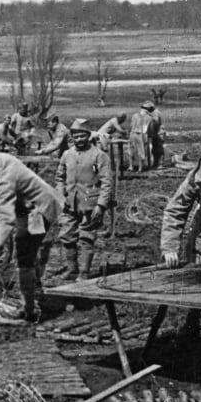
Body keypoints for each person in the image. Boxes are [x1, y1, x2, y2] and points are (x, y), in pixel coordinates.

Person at [0, 145, 63, 322]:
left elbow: (5, 218)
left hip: (38, 212)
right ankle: (36, 292)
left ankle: (29, 309)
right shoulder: (1, 158)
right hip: (41, 203)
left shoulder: (3, 183)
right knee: (28, 252)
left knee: (23, 258)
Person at [55, 119, 112, 281]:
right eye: (76, 137)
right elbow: (59, 177)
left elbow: (107, 182)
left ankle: (84, 272)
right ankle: (72, 269)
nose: (79, 140)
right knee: (66, 235)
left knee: (86, 237)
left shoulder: (99, 156)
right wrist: (61, 194)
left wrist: (101, 205)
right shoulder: (67, 155)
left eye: (82, 136)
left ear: (88, 136)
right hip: (69, 203)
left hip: (89, 204)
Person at [128, 102, 155, 172]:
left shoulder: (134, 115)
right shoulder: (150, 118)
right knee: (141, 151)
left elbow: (131, 126)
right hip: (142, 135)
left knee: (131, 150)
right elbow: (151, 129)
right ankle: (140, 168)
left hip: (133, 133)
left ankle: (131, 166)